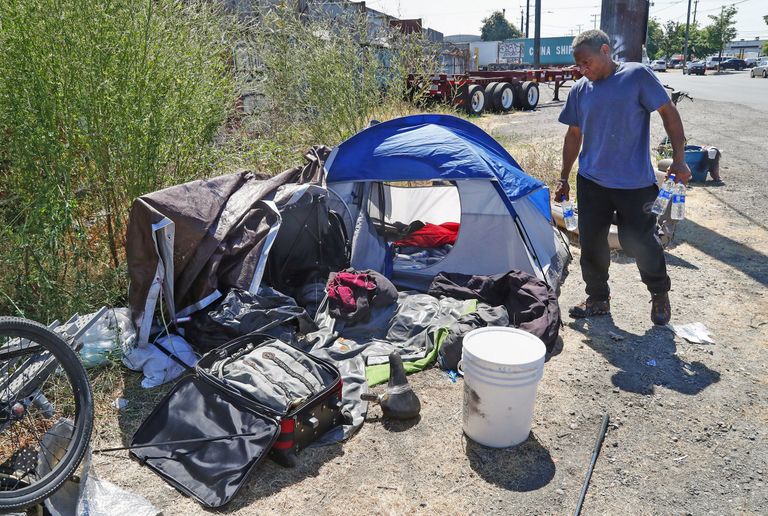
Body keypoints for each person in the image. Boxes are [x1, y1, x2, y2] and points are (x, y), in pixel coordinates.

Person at [555, 30, 691, 326]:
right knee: (591, 243)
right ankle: (598, 298)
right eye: (578, 65)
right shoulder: (580, 89)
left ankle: (659, 293)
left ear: (605, 50)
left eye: (586, 62)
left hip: (635, 183)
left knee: (639, 241)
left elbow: (668, 113)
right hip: (591, 182)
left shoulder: (637, 76)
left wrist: (679, 159)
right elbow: (573, 135)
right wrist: (564, 177)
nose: (582, 70)